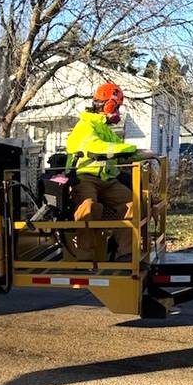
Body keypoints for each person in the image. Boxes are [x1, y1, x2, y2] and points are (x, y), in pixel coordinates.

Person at [65, 82, 152, 260]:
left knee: (133, 204)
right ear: (108, 105)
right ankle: (85, 257)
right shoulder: (85, 126)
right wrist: (130, 149)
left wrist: (142, 154)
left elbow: (119, 152)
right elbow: (97, 148)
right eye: (116, 107)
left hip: (108, 180)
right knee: (88, 208)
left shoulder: (105, 129)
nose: (118, 112)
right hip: (84, 178)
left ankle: (126, 253)